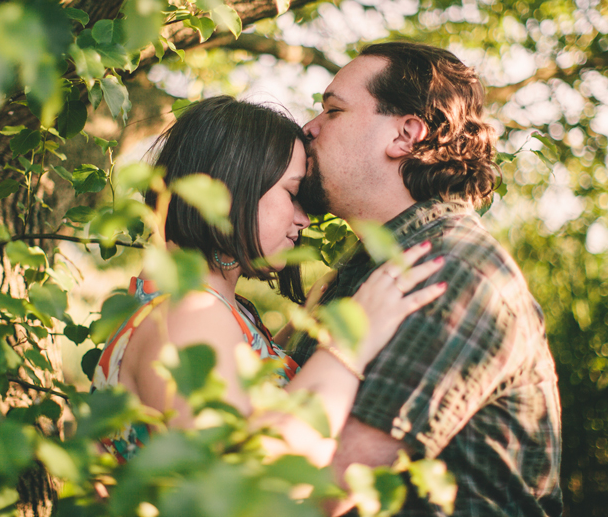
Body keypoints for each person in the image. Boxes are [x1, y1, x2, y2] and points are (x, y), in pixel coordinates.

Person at [91, 95, 447, 469]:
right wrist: (349, 347)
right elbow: (249, 478)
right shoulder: (190, 312)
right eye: (292, 194)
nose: (303, 220)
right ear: (233, 184)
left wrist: (300, 328)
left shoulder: (203, 306)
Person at [290, 42, 563, 517]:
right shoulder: (373, 269)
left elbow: (319, 491)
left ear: (405, 134)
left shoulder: (449, 273)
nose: (309, 128)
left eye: (332, 110)